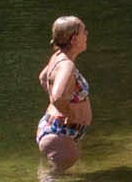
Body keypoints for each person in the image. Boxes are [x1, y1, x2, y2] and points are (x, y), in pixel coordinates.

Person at [36, 14, 92, 170]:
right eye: (83, 31)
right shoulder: (67, 65)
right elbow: (58, 97)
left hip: (57, 131)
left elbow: (42, 78)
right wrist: (69, 113)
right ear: (74, 39)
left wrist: (62, 106)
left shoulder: (58, 57)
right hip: (59, 134)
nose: (86, 34)